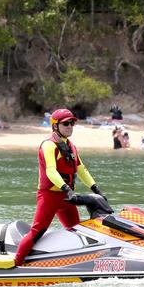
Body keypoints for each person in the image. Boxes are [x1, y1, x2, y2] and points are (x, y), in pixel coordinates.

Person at [14, 108, 106, 266]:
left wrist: (96, 189)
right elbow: (51, 171)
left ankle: (79, 262)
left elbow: (81, 169)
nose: (70, 126)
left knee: (76, 230)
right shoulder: (48, 146)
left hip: (67, 198)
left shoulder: (71, 146)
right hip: (49, 197)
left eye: (72, 123)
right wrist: (67, 189)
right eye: (66, 123)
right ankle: (16, 264)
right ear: (55, 126)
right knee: (37, 232)